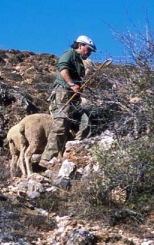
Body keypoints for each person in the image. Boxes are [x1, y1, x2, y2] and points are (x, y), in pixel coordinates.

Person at [39, 35, 97, 168]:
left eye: (91, 51)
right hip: (62, 93)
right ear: (80, 45)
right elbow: (63, 68)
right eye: (88, 49)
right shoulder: (69, 54)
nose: (89, 53)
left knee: (84, 120)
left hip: (74, 97)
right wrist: (71, 84)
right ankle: (47, 158)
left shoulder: (80, 62)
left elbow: (79, 83)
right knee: (60, 124)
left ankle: (77, 149)